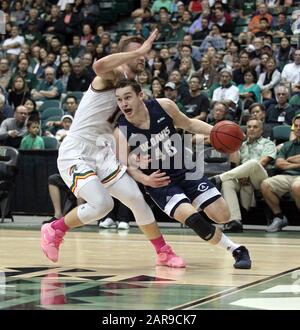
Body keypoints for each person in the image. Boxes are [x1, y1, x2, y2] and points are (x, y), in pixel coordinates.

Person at [41, 30, 186, 269]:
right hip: (78, 150)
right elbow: (98, 65)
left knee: (136, 199)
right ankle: (55, 230)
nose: (143, 56)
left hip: (104, 151)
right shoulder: (110, 76)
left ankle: (163, 252)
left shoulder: (133, 90)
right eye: (137, 51)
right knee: (102, 205)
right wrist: (138, 51)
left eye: (144, 52)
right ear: (124, 54)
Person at [114, 79, 252, 269]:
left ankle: (201, 193)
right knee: (195, 220)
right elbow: (124, 166)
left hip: (185, 169)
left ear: (140, 96)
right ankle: (236, 250)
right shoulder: (121, 131)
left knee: (222, 216)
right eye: (119, 99)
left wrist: (218, 132)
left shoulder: (163, 106)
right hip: (162, 182)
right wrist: (146, 179)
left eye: (127, 97)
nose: (123, 103)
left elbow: (189, 124)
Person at [210, 119, 277, 232]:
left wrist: (245, 173)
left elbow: (263, 162)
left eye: (255, 127)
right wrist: (234, 145)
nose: (251, 129)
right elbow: (235, 164)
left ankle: (219, 178)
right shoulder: (241, 145)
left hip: (260, 178)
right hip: (241, 178)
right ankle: (235, 221)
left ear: (261, 130)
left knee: (253, 163)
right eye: (249, 127)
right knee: (228, 183)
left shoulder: (268, 143)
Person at [260, 115, 300, 232]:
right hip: (287, 176)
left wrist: (290, 159)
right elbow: (279, 164)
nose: (298, 128)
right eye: (296, 126)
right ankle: (279, 217)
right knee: (266, 184)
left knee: (297, 186)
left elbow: (285, 162)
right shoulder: (287, 145)